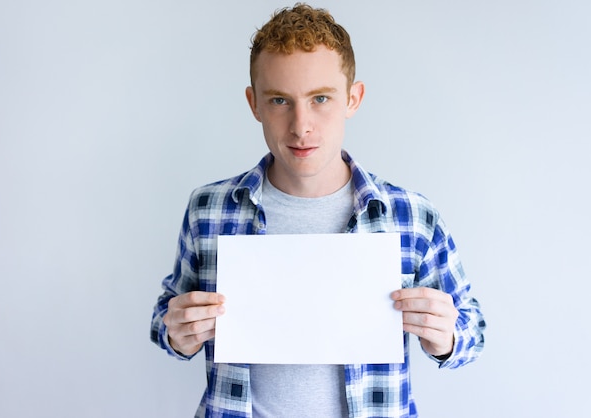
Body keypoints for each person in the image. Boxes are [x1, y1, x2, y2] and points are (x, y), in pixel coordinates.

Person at [150, 3, 486, 417]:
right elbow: (165, 315)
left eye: (320, 98)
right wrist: (177, 332)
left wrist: (447, 335)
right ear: (254, 104)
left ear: (353, 98)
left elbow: (473, 328)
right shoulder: (209, 209)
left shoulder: (411, 215)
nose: (301, 125)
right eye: (279, 100)